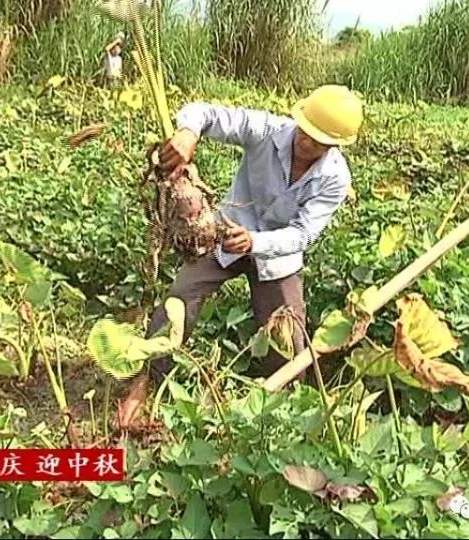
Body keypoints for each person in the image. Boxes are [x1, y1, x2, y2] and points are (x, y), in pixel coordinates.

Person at [117, 85, 364, 427]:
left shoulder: (335, 177)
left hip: (276, 256)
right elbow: (206, 112)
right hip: (222, 232)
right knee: (179, 299)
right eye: (305, 133)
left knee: (289, 338)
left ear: (336, 144)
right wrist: (188, 132)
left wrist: (255, 243)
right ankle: (146, 381)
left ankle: (284, 414)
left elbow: (304, 233)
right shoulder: (267, 130)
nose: (307, 143)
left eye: (320, 141)